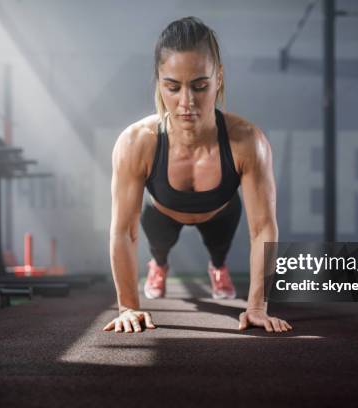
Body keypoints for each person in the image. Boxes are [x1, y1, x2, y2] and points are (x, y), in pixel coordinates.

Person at [103, 16, 292, 334]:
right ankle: (158, 265)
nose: (186, 102)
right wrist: (128, 307)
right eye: (172, 87)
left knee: (220, 251)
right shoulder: (137, 142)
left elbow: (262, 229)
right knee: (157, 246)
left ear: (219, 78)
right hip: (163, 212)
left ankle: (218, 267)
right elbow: (124, 232)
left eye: (200, 86)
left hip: (220, 213)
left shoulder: (248, 141)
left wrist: (257, 306)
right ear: (159, 82)